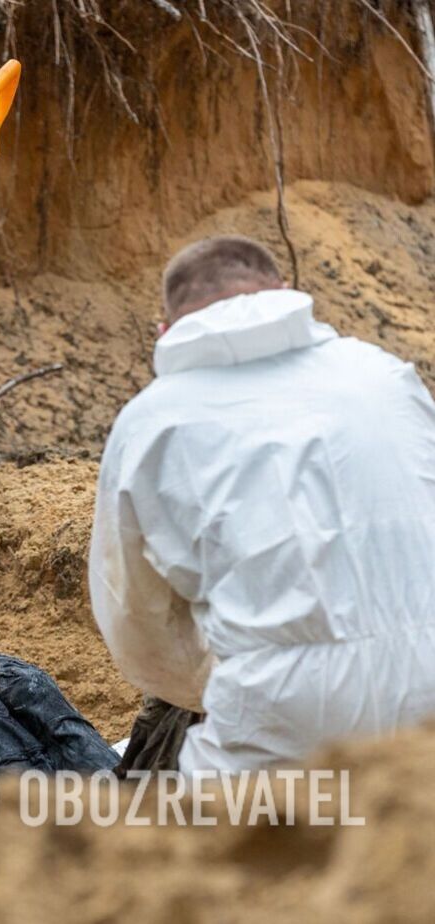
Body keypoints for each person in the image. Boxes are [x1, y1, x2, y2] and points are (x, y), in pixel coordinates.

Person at [91, 236, 435, 773]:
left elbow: (135, 621)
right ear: (287, 293)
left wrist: (211, 684)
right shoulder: (385, 374)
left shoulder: (152, 421)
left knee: (215, 844)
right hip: (428, 703)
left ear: (166, 331)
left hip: (282, 722)